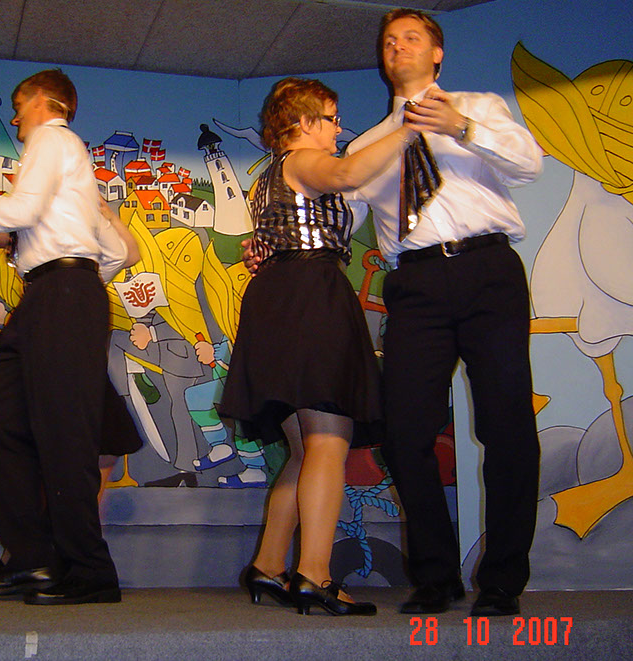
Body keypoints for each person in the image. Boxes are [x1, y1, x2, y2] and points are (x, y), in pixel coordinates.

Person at [346, 8, 542, 617]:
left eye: (411, 37)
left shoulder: (477, 106)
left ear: (437, 54)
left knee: (506, 427)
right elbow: (339, 222)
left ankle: (503, 580)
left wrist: (462, 128)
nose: (397, 46)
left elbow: (529, 164)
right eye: (389, 40)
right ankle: (435, 576)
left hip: (488, 271)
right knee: (404, 432)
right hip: (416, 284)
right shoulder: (366, 146)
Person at [0, 69, 134, 606]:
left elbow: (22, 211)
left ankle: (89, 571)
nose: (14, 119)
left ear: (42, 101)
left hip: (59, 296)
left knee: (64, 435)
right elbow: (113, 252)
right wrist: (75, 275)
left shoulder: (52, 139)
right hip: (52, 296)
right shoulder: (69, 165)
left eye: (18, 105)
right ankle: (33, 559)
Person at [218, 76, 420, 616]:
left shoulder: (271, 176)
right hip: (312, 292)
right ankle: (315, 574)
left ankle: (268, 565)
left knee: (304, 450)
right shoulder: (305, 160)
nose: (337, 128)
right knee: (328, 439)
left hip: (282, 297)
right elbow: (351, 172)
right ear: (304, 123)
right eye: (330, 118)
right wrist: (408, 130)